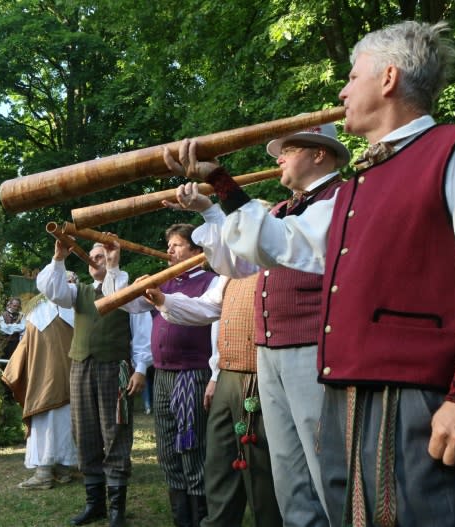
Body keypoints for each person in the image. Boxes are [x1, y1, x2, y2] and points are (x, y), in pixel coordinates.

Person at [171, 20, 455, 526]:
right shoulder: (355, 189)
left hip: (420, 397)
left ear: (388, 77)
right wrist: (220, 181)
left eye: (353, 76)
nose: (344, 90)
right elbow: (283, 243)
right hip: (349, 393)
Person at [164, 123, 349, 526]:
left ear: (320, 153)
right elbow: (236, 262)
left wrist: (218, 180)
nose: (278, 157)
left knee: (327, 468)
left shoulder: (342, 198)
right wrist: (208, 209)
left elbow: (278, 241)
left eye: (289, 148)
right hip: (271, 353)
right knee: (288, 474)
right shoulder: (282, 210)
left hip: (314, 351)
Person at [146, 271, 283, 527]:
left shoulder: (272, 267)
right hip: (227, 376)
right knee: (218, 465)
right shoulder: (227, 276)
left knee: (258, 470)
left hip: (259, 377)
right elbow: (205, 308)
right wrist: (163, 299)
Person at [104, 224, 218, 527]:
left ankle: (201, 518)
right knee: (167, 448)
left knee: (191, 447)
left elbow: (211, 324)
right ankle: (181, 518)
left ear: (197, 251)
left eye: (177, 245)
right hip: (164, 376)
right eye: (169, 245)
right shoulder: (163, 281)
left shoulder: (211, 281)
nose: (169, 251)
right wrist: (114, 268)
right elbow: (124, 303)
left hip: (193, 375)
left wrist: (215, 375)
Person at [36, 239, 152, 527]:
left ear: (111, 258)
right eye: (91, 256)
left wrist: (140, 369)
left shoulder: (126, 291)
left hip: (116, 367)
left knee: (116, 433)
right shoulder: (78, 292)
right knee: (84, 433)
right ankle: (95, 504)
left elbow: (142, 332)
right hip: (81, 367)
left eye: (100, 256)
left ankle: (116, 510)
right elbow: (51, 289)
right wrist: (59, 259)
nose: (94, 260)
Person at [2, 272, 78, 491]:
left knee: (54, 423)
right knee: (61, 423)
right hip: (65, 381)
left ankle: (49, 471)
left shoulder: (37, 313)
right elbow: (26, 345)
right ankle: (57, 469)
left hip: (43, 382)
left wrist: (15, 372)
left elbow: (23, 347)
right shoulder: (69, 312)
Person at [0, 297, 25, 361]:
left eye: (18, 306)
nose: (16, 308)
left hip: (15, 343)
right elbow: (3, 329)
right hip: (4, 343)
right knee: (3, 361)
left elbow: (23, 327)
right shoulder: (2, 315)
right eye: (14, 306)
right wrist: (16, 326)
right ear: (10, 305)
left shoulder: (21, 316)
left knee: (14, 361)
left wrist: (10, 327)